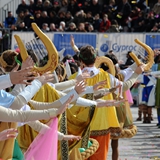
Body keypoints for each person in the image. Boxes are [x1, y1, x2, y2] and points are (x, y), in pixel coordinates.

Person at [68, 44, 144, 160]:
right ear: (96, 59)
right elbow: (123, 86)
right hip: (101, 125)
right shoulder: (106, 76)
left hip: (80, 127)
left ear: (81, 61)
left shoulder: (74, 78)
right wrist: (136, 73)